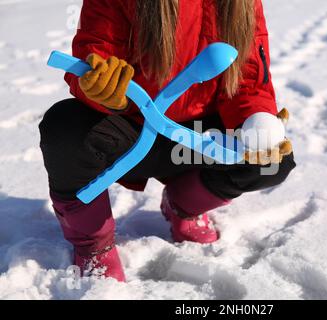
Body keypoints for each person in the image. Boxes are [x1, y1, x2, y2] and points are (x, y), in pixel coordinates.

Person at [39, 0, 296, 282]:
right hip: (129, 128)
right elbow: (97, 51)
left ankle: (182, 205)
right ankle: (93, 244)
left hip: (197, 140)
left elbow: (248, 80)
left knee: (270, 159)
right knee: (64, 130)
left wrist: (256, 120)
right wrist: (101, 87)